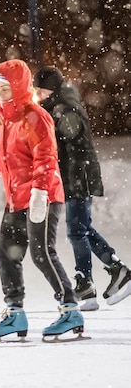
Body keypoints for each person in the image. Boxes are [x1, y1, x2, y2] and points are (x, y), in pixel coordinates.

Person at [0, 59, 86, 341]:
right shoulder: (2, 120)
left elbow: (46, 156)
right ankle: (15, 313)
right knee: (7, 254)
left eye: (4, 89)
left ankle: (70, 309)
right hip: (17, 198)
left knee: (42, 253)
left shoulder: (34, 116)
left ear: (17, 88)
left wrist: (40, 194)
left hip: (42, 196)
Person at [34, 67, 131, 311]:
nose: (38, 94)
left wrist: (74, 181)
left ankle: (90, 280)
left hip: (78, 176)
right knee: (82, 228)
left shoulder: (65, 108)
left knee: (77, 231)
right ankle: (110, 272)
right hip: (74, 176)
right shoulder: (59, 106)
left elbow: (73, 141)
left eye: (40, 90)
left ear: (52, 88)